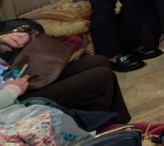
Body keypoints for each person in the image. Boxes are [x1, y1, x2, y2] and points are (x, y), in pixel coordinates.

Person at [1, 30, 131, 124]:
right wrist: (11, 91)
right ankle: (106, 131)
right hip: (12, 103)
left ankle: (116, 127)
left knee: (99, 61)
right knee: (101, 77)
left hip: (11, 82)